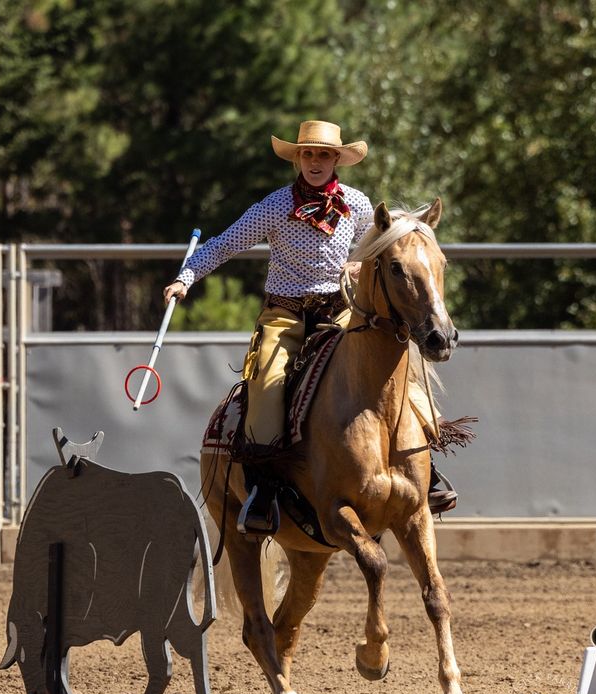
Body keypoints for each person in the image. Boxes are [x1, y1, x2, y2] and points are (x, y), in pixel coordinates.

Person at [163, 120, 457, 536]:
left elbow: (370, 253)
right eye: (308, 154)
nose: (315, 162)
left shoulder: (358, 205)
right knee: (266, 384)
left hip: (341, 313)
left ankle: (426, 470)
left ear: (337, 159)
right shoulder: (273, 207)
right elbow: (224, 243)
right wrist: (186, 277)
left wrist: (358, 264)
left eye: (324, 154)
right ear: (297, 159)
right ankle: (263, 488)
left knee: (396, 377)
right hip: (285, 317)